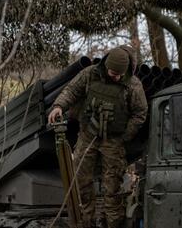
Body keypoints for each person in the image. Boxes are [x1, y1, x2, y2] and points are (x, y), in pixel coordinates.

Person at [48, 45, 148, 228]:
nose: (114, 76)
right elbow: (72, 90)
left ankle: (113, 224)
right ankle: (87, 223)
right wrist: (58, 106)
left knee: (113, 188)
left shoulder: (133, 85)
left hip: (114, 140)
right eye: (111, 72)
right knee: (81, 180)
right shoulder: (90, 74)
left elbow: (140, 113)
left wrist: (125, 135)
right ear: (106, 65)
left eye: (118, 74)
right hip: (88, 134)